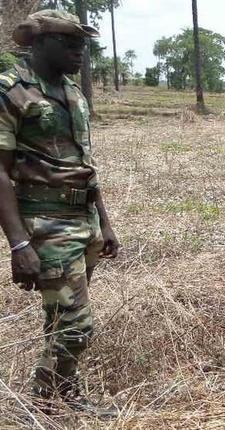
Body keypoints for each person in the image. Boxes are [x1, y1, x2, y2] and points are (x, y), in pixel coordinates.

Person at [0, 10, 120, 416]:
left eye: (82, 44)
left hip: (82, 221)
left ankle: (57, 398)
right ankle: (49, 400)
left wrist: (103, 221)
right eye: (69, 43)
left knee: (61, 317)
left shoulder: (71, 91)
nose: (80, 51)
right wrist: (18, 243)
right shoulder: (12, 91)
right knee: (76, 322)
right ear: (39, 42)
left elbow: (85, 162)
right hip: (45, 224)